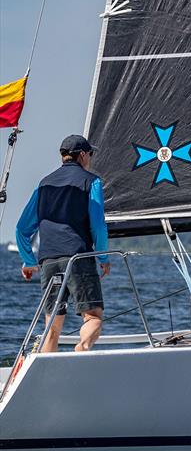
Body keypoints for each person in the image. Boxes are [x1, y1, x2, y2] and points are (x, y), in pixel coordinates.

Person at [15, 135, 110, 352]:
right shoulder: (91, 181)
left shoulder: (43, 184)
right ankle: (82, 348)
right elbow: (98, 226)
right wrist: (103, 258)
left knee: (52, 325)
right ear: (83, 155)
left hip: (48, 260)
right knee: (93, 316)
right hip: (77, 258)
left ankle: (50, 378)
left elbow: (22, 229)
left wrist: (29, 261)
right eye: (91, 154)